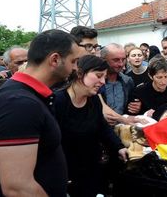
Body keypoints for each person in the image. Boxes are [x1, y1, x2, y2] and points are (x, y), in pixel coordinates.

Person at [0, 29, 80, 197]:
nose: (76, 68)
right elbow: (18, 188)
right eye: (74, 61)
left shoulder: (27, 96)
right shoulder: (19, 104)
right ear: (55, 59)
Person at [54, 55, 128, 197]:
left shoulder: (94, 100)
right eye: (98, 76)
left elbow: (102, 127)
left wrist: (119, 147)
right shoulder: (58, 102)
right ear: (80, 73)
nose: (102, 82)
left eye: (104, 77)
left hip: (92, 169)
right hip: (66, 173)